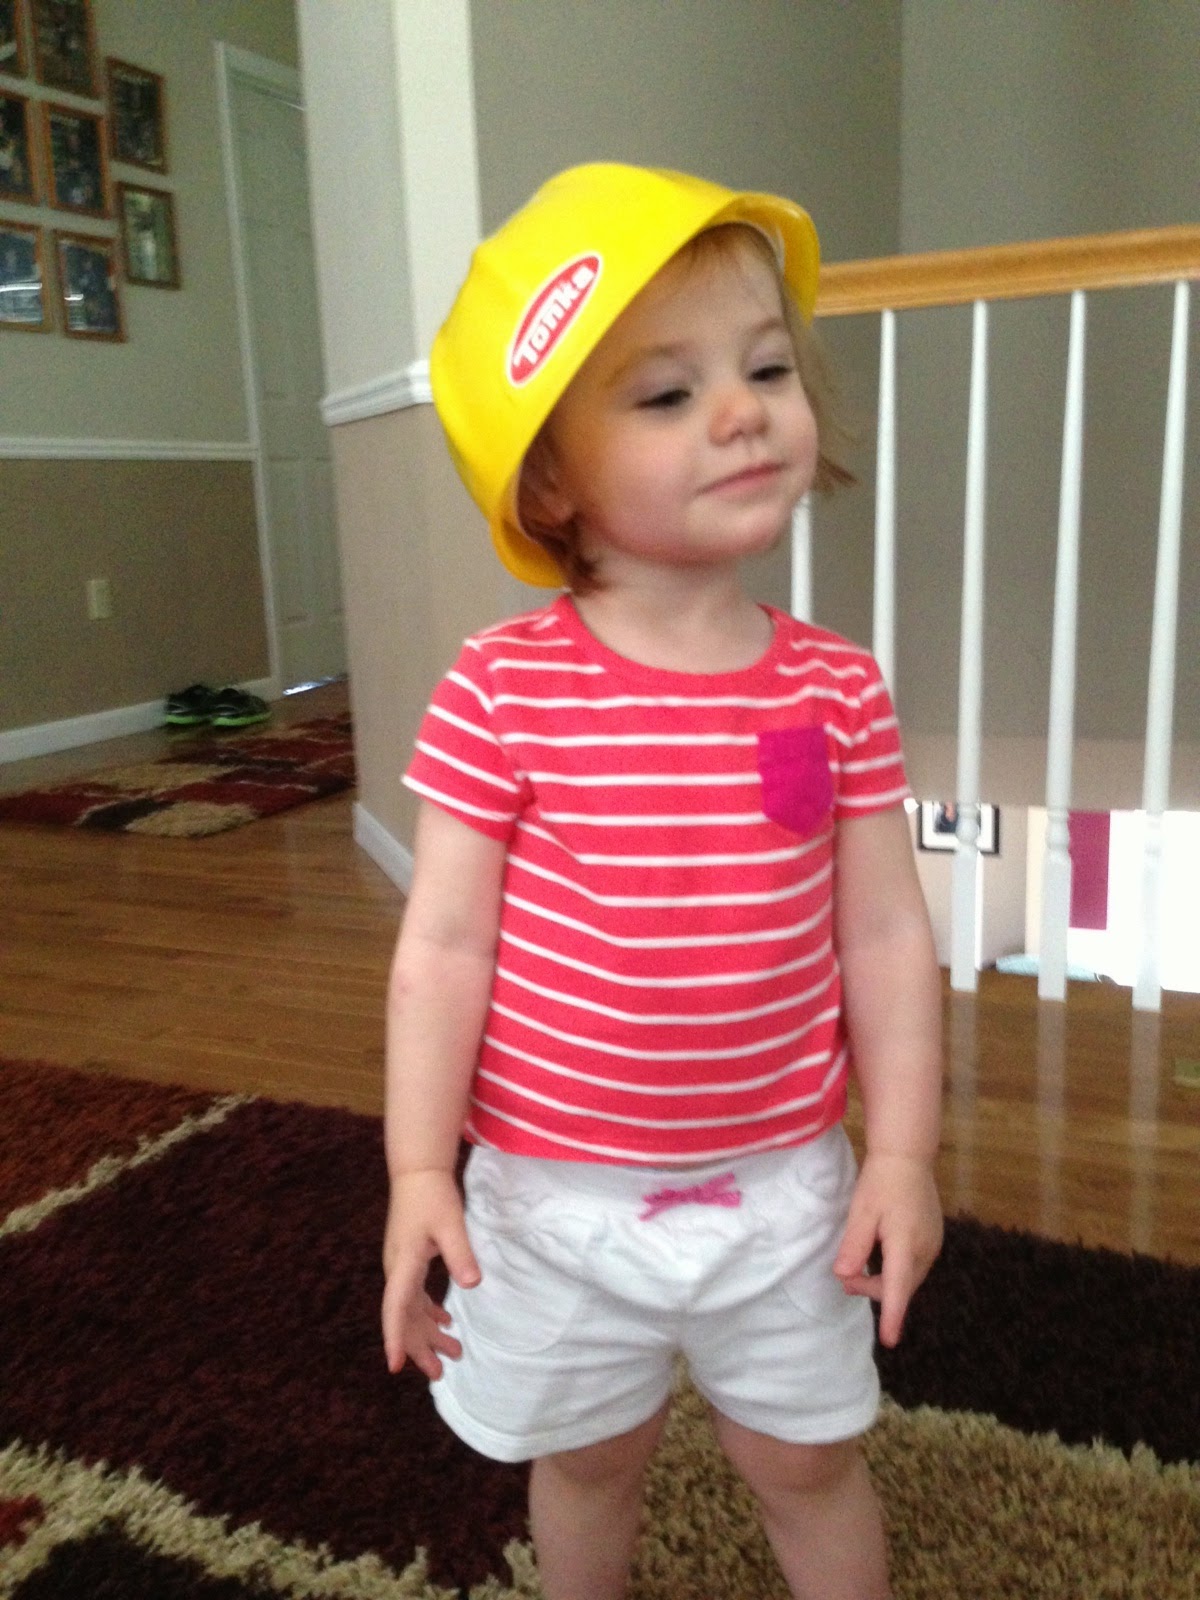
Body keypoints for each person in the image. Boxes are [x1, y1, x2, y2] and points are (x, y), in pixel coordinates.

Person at [381, 163, 943, 1600]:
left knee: (806, 1460)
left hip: (787, 1190)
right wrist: (418, 1171)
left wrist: (902, 1155)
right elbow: (443, 950)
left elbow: (886, 935)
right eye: (667, 393)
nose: (742, 411)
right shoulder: (500, 690)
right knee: (588, 1461)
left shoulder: (837, 688)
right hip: (554, 1197)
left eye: (767, 368)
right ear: (550, 479)